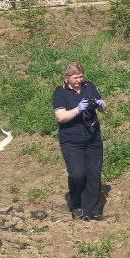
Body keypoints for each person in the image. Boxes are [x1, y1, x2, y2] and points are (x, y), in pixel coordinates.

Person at [52, 62, 106, 220]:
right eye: (76, 77)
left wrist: (101, 104)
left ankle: (92, 209)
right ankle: (76, 203)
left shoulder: (89, 86)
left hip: (93, 137)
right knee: (78, 174)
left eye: (81, 76)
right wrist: (78, 109)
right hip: (71, 140)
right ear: (67, 78)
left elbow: (103, 108)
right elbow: (61, 117)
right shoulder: (60, 92)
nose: (79, 80)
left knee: (94, 174)